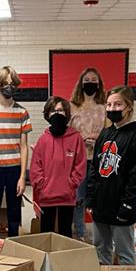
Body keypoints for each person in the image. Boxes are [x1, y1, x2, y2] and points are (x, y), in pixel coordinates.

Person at [86, 85, 136, 266]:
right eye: (109, 105)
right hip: (101, 204)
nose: (112, 109)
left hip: (121, 205)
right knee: (100, 249)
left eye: (118, 104)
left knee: (124, 252)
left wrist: (129, 204)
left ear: (129, 106)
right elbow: (94, 169)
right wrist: (91, 198)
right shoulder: (105, 133)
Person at [0, 66, 31, 238]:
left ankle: (13, 249)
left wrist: (23, 176)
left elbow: (24, 146)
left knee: (14, 214)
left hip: (15, 168)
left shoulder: (22, 112)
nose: (9, 87)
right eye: (5, 83)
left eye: (12, 83)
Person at [30, 96, 86, 237]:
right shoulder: (43, 139)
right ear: (47, 115)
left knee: (65, 233)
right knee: (46, 235)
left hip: (67, 197)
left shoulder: (76, 138)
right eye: (53, 111)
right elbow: (36, 166)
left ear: (67, 114)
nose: (57, 114)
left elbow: (80, 165)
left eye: (60, 111)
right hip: (47, 196)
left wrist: (71, 184)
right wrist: (42, 184)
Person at [69, 67, 107, 240]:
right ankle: (80, 234)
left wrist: (97, 140)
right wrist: (81, 139)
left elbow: (110, 132)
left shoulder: (104, 106)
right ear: (81, 83)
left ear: (99, 83)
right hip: (78, 159)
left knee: (99, 198)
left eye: (94, 80)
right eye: (87, 80)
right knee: (79, 199)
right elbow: (67, 132)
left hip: (100, 159)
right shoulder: (73, 106)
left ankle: (100, 235)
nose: (90, 83)